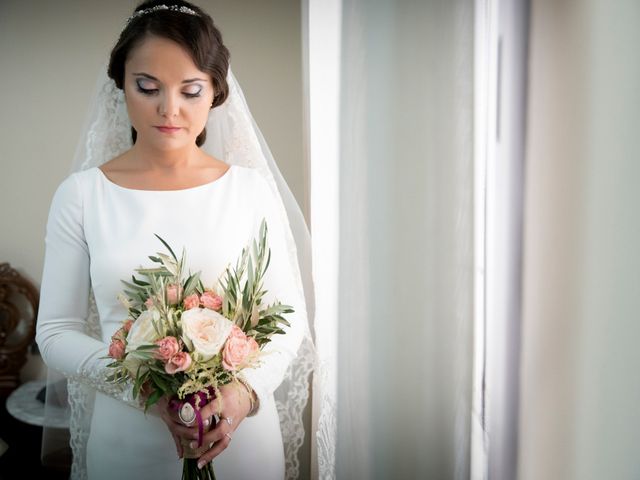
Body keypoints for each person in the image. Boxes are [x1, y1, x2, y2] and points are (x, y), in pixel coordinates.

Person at [35, 1, 314, 479]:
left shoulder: (249, 191)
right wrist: (145, 387)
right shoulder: (81, 196)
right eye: (148, 87)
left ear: (215, 94)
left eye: (190, 91)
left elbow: (290, 322)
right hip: (127, 442)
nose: (170, 109)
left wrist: (240, 393)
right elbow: (55, 332)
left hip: (238, 442)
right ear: (122, 85)